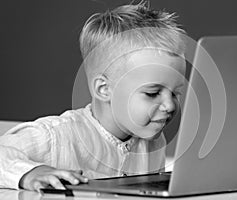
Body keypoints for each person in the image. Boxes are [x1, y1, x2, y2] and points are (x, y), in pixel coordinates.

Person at [0, 1, 186, 192]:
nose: (170, 105)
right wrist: (30, 173)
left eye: (175, 93)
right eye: (152, 93)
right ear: (104, 89)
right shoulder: (58, 136)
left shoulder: (154, 141)